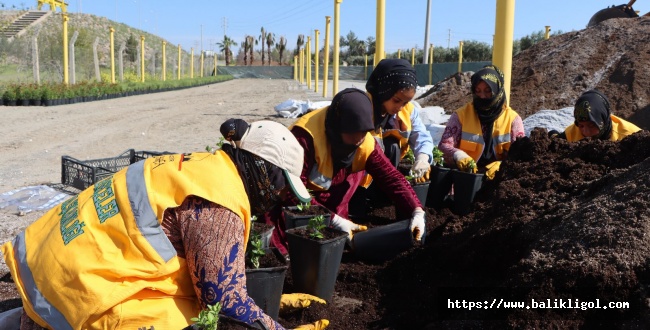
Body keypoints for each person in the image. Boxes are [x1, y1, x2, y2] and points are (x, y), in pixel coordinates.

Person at [1, 120, 325, 330]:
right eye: (283, 187)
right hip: (68, 296)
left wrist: (265, 300)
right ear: (264, 170)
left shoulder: (201, 166)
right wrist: (272, 324)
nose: (281, 197)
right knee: (193, 321)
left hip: (47, 264)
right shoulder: (218, 201)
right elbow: (225, 305)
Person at [261, 88, 426, 256]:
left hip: (333, 206)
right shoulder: (304, 137)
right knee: (288, 250)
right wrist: (334, 220)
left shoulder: (365, 142)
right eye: (353, 133)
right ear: (337, 126)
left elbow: (391, 177)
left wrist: (416, 210)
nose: (359, 139)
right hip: (297, 210)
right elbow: (292, 192)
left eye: (364, 132)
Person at [438, 64, 525, 180]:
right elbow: (444, 145)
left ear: (497, 90)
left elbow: (521, 153)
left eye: (488, 91)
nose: (482, 96)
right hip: (466, 179)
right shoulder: (461, 115)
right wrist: (459, 155)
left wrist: (502, 165)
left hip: (500, 181)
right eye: (478, 91)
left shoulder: (512, 119)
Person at [365, 58, 434, 183]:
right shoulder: (362, 107)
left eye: (406, 102)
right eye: (396, 100)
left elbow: (422, 136)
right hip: (358, 178)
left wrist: (423, 158)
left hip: (384, 177)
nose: (400, 107)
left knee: (392, 146)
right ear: (383, 91)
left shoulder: (408, 110)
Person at [549, 89, 641, 141]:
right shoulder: (573, 133)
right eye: (581, 125)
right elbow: (556, 140)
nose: (586, 132)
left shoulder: (631, 137)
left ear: (602, 119)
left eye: (592, 125)